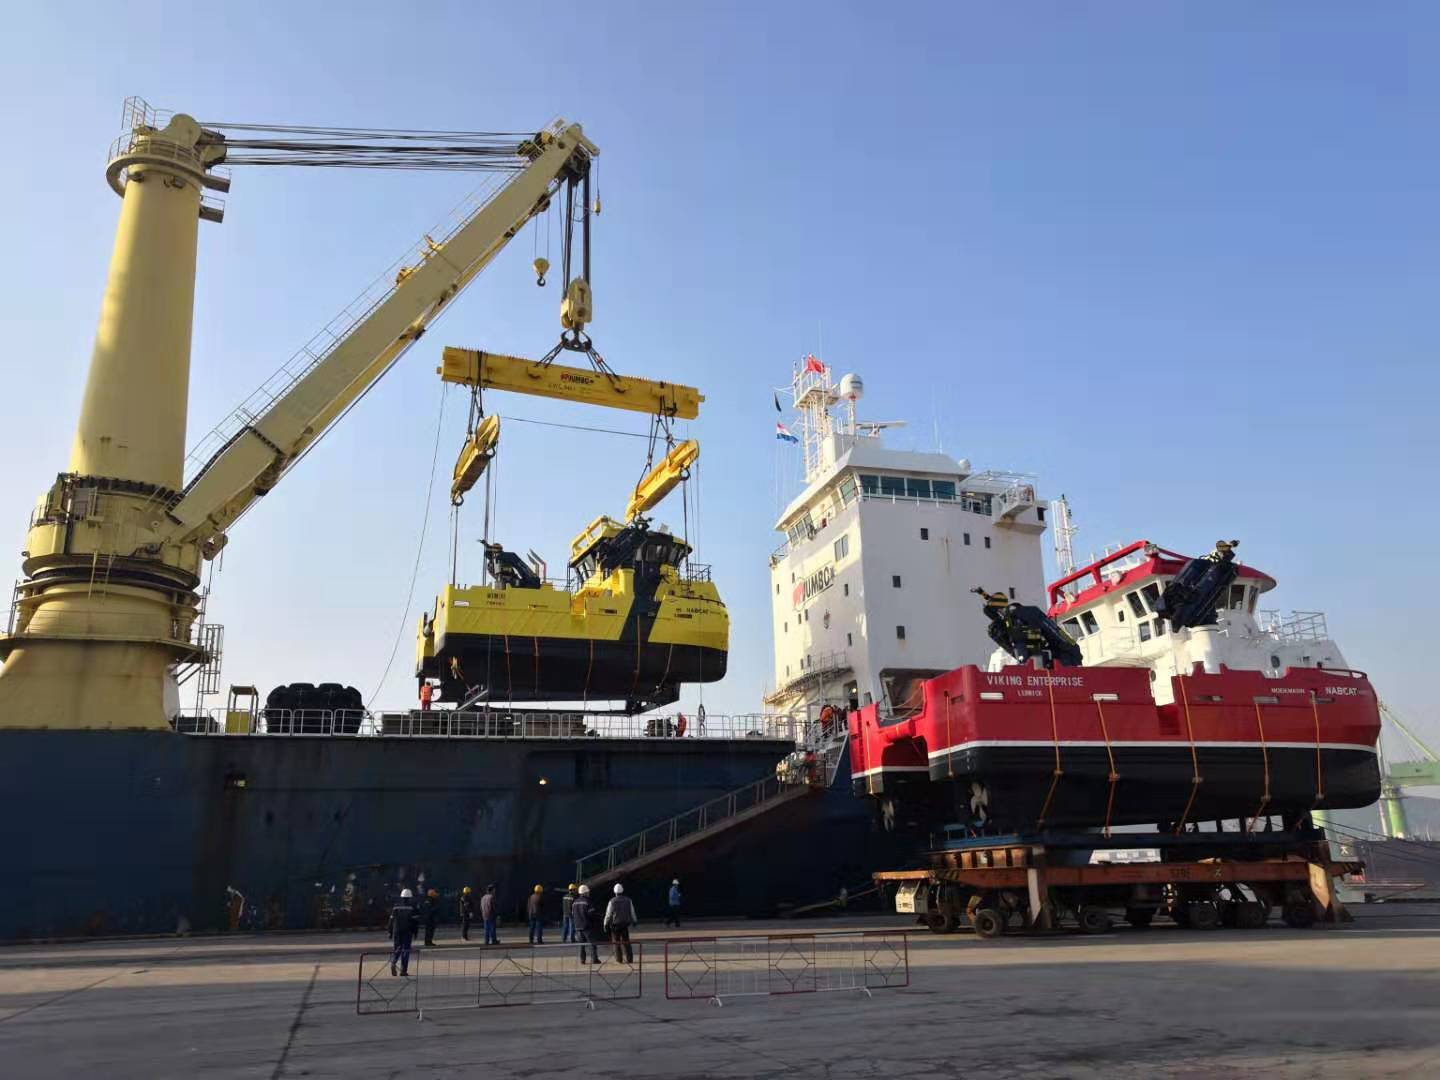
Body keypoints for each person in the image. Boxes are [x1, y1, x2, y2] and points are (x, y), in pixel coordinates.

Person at [388, 888, 419, 976]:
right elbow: (415, 922)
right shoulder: (412, 907)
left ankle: (394, 962)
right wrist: (415, 932)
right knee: (405, 950)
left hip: (397, 931)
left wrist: (390, 932)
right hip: (407, 931)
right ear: (410, 897)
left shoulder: (396, 906)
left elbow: (391, 920)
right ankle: (403, 970)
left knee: (397, 948)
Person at [604, 882, 637, 964]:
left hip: (615, 925)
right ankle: (630, 959)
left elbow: (608, 914)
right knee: (626, 942)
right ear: (622, 891)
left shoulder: (612, 901)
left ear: (614, 892)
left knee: (616, 942)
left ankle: (619, 959)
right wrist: (634, 921)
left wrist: (605, 924)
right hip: (625, 924)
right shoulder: (628, 900)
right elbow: (632, 912)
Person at [572, 884, 599, 964]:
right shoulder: (588, 902)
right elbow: (591, 914)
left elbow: (573, 914)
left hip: (578, 926)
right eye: (588, 892)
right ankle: (594, 959)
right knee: (592, 944)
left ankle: (582, 960)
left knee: (581, 945)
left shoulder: (574, 902)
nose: (589, 893)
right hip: (587, 926)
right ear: (585, 893)